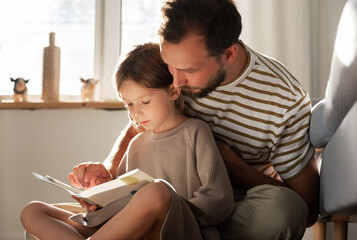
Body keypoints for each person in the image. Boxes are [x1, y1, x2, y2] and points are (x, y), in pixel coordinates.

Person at [101, 0, 318, 239]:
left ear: (228, 54)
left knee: (286, 207)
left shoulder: (284, 100)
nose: (174, 82)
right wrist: (108, 172)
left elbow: (306, 208)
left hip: (234, 212)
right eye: (169, 65)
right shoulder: (176, 61)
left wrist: (228, 161)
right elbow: (141, 121)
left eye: (189, 70)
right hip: (161, 202)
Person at [20, 43, 234, 240]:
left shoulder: (195, 132)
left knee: (157, 190)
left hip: (175, 230)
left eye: (144, 101)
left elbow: (220, 199)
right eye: (129, 104)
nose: (136, 112)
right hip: (127, 231)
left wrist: (167, 203)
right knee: (33, 211)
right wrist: (96, 202)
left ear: (173, 90)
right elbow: (121, 203)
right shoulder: (136, 144)